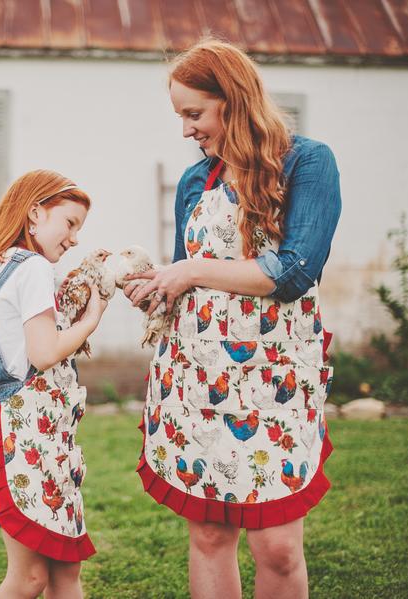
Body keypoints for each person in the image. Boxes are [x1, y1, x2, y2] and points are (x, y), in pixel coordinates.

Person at [126, 37, 341, 599]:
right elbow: (186, 276)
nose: (186, 130)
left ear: (234, 99)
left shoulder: (307, 162)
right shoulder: (197, 182)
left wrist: (190, 270)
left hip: (275, 377)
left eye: (193, 113)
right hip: (197, 377)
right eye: (180, 116)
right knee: (211, 535)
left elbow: (293, 272)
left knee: (278, 546)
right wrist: (155, 289)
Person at [0, 169, 109, 599]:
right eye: (70, 223)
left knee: (64, 571)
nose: (75, 237)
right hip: (26, 439)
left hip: (25, 435)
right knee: (32, 578)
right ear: (36, 213)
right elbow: (43, 354)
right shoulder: (35, 268)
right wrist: (91, 320)